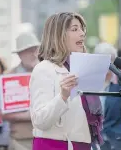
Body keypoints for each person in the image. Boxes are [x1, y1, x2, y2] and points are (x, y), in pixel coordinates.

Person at [29, 12, 103, 150]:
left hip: (82, 145)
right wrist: (63, 96)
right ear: (58, 35)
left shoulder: (82, 68)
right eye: (75, 29)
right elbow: (40, 120)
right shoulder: (44, 69)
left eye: (82, 29)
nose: (82, 34)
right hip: (55, 145)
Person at [3, 31, 40, 150]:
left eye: (35, 49)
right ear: (19, 54)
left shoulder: (49, 72)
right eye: (29, 50)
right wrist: (29, 116)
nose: (34, 54)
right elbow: (1, 112)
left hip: (47, 138)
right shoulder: (8, 77)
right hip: (20, 141)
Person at [94, 43, 121, 150]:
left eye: (110, 62)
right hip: (95, 142)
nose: (107, 67)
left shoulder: (118, 83)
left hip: (116, 142)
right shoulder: (89, 83)